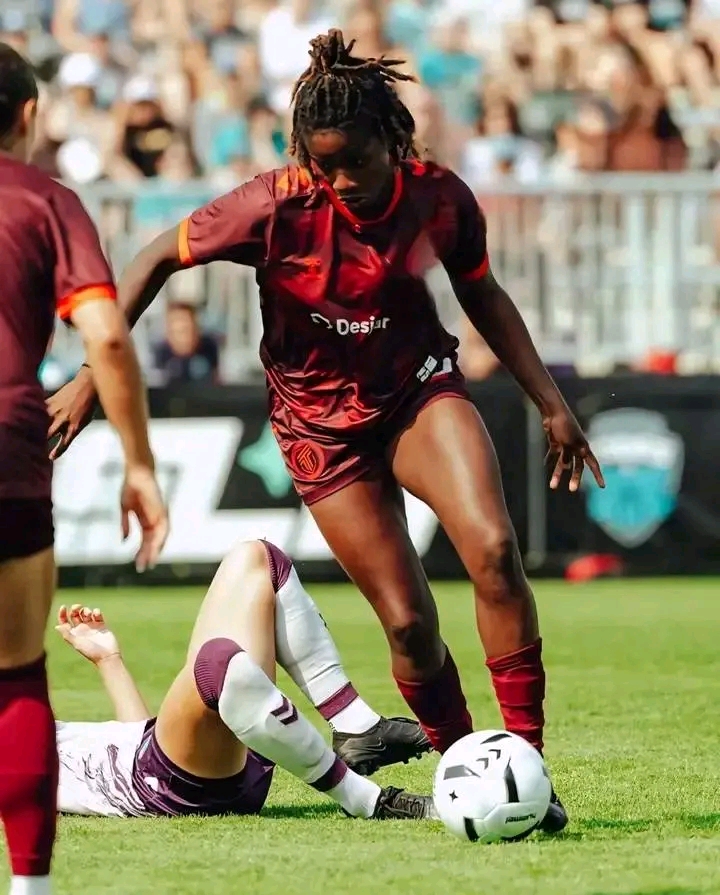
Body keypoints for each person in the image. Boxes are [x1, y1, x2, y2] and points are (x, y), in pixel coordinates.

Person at [47, 29, 607, 834]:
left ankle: (528, 762)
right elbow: (148, 261)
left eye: (356, 161)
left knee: (489, 549)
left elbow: (483, 295)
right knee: (410, 626)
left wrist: (549, 401)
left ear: (395, 139)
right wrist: (90, 376)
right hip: (319, 430)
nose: (340, 180)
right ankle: (466, 767)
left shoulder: (440, 197)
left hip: (417, 392)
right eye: (322, 163)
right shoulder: (270, 204)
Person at [0, 42, 168, 895]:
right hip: (9, 444)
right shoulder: (46, 201)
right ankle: (30, 887)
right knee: (18, 672)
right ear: (27, 117)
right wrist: (138, 462)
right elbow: (104, 335)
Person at [53, 539, 433, 820]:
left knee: (258, 559)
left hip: (170, 757)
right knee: (215, 662)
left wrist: (110, 662)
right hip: (164, 787)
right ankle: (365, 800)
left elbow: (129, 737)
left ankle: (357, 726)